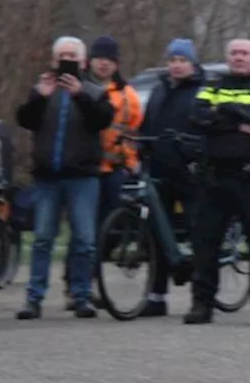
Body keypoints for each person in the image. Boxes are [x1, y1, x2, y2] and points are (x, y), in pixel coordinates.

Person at [14, 35, 115, 320]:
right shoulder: (43, 90)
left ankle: (81, 296)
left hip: (82, 177)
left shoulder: (94, 91)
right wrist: (38, 97)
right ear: (54, 60)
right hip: (47, 177)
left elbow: (102, 121)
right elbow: (25, 120)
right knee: (43, 238)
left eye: (72, 57)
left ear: (82, 62)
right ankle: (34, 298)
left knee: (84, 239)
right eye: (62, 57)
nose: (66, 61)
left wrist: (80, 95)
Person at [184, 38, 250, 327]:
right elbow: (197, 118)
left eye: (244, 53)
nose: (238, 57)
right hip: (214, 175)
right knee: (206, 242)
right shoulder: (213, 85)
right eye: (234, 53)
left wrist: (223, 115)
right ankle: (202, 304)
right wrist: (238, 123)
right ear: (227, 57)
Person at [64, 34, 142, 311]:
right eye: (99, 59)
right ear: (90, 61)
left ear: (116, 63)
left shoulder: (129, 96)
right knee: (83, 230)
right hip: (85, 169)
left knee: (104, 231)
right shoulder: (76, 86)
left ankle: (89, 282)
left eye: (109, 60)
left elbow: (131, 133)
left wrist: (131, 163)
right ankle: (75, 286)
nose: (104, 64)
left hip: (113, 170)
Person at [137, 38, 205, 317]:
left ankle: (201, 295)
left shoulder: (201, 92)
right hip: (159, 171)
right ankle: (156, 295)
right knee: (156, 234)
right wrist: (140, 145)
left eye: (182, 60)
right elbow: (147, 125)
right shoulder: (159, 91)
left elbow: (205, 130)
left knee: (197, 232)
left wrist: (191, 149)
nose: (176, 66)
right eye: (173, 60)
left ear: (192, 63)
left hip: (189, 173)